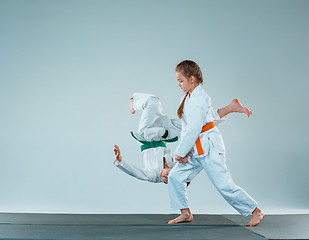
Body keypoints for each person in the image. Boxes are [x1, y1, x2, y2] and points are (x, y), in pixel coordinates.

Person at [167, 60, 264, 227]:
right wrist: (184, 152)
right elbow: (187, 130)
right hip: (195, 148)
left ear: (192, 79)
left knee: (224, 186)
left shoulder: (200, 99)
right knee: (175, 176)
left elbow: (194, 129)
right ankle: (185, 213)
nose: (178, 84)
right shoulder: (189, 97)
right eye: (177, 81)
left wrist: (180, 153)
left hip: (209, 147)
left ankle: (256, 211)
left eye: (180, 81)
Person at [114, 93, 252, 184]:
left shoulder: (153, 176)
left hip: (147, 135)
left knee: (153, 101)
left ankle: (135, 101)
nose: (164, 178)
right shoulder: (176, 167)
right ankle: (231, 107)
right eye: (169, 178)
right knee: (199, 124)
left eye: (165, 179)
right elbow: (192, 159)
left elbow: (136, 173)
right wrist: (187, 157)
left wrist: (121, 161)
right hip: (165, 131)